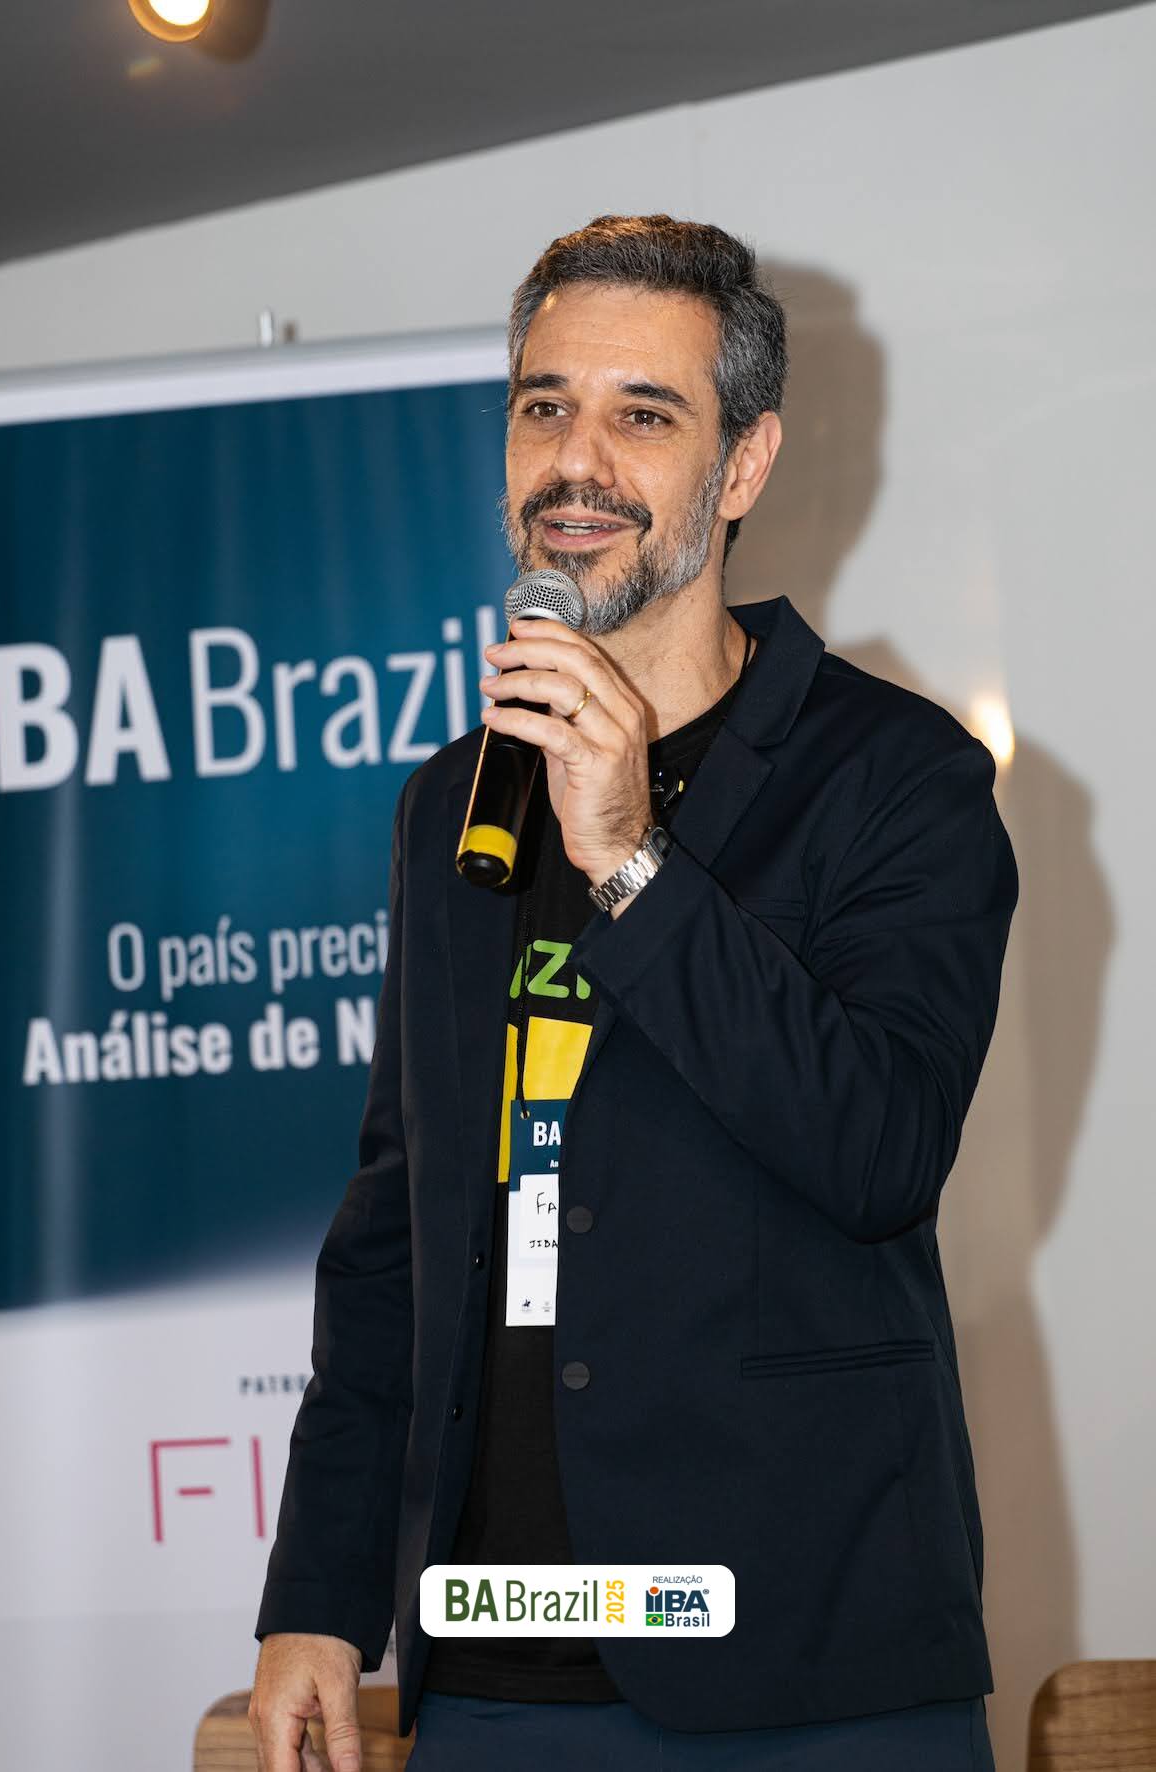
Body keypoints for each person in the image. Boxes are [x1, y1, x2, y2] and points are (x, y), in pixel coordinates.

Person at [249, 214, 1017, 1771]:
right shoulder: (452, 801)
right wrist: (317, 1598)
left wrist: (630, 864)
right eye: (544, 405)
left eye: (641, 415)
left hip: (804, 1662)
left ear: (742, 465)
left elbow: (877, 1151)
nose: (575, 461)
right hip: (495, 1667)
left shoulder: (894, 778)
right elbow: (398, 1228)